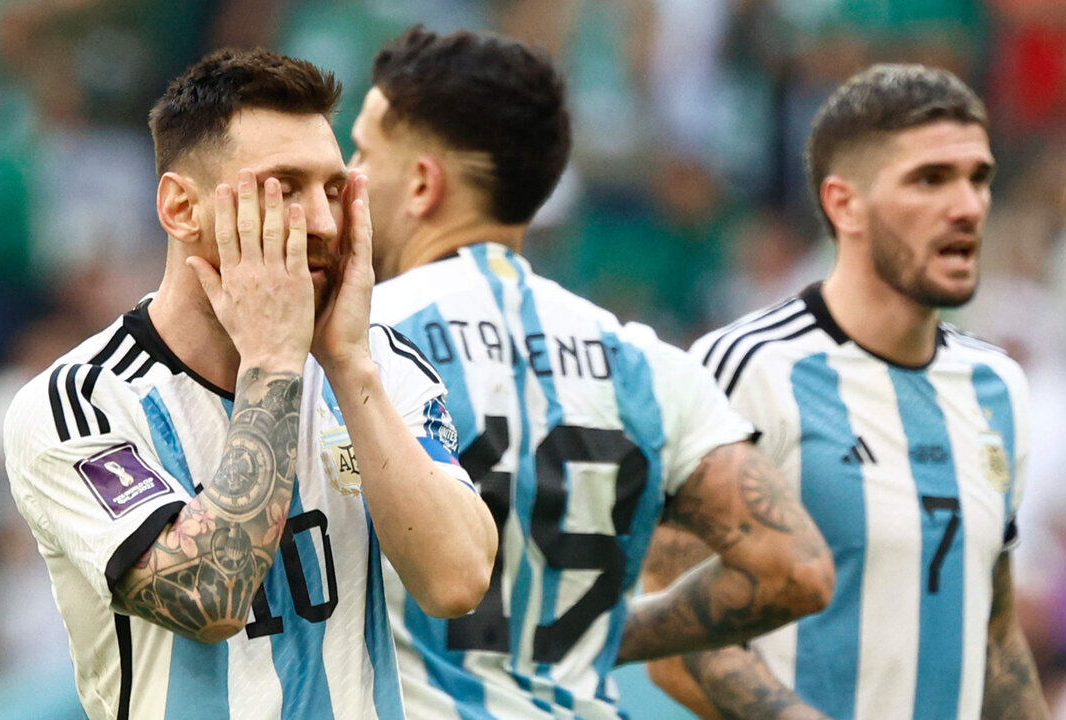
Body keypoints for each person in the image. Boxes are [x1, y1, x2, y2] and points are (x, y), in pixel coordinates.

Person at [351, 25, 835, 720]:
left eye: (364, 152)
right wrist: (607, 634)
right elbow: (796, 570)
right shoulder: (644, 363)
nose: (348, 176)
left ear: (423, 183)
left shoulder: (355, 347)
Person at [3, 47, 497, 720]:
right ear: (180, 208)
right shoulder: (78, 403)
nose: (323, 224)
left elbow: (457, 581)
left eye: (331, 189)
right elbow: (207, 597)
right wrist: (272, 364)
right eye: (283, 188)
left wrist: (349, 366)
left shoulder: (382, 364)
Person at [643, 63, 1051, 720]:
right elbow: (674, 639)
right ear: (843, 204)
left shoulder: (995, 386)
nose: (967, 206)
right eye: (930, 179)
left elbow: (994, 639)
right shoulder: (745, 365)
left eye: (978, 178)